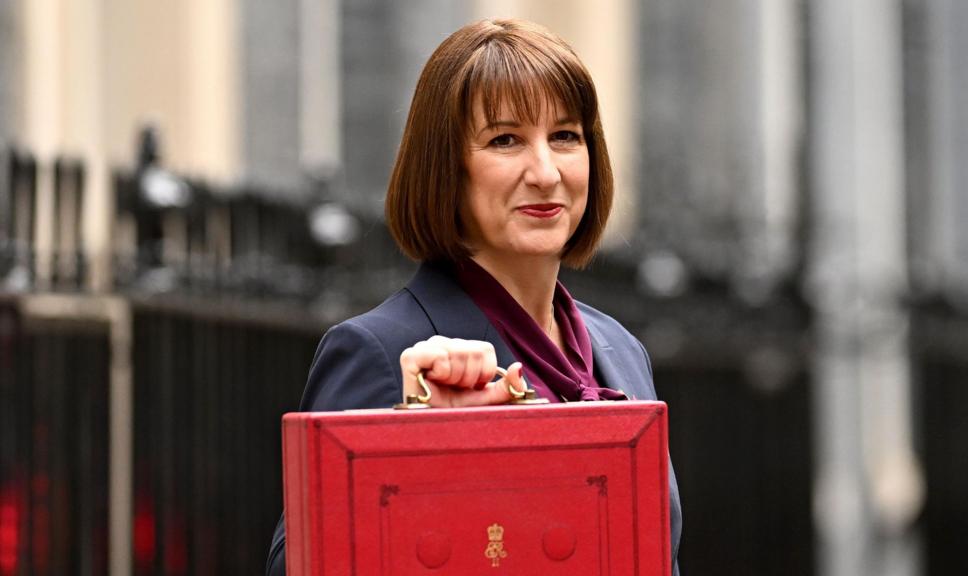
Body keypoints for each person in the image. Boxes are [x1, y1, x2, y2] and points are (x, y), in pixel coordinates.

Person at [266, 18, 681, 575]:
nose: (545, 171)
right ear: (446, 169)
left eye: (565, 136)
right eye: (504, 140)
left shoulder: (622, 349)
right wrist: (415, 437)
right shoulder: (378, 349)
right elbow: (299, 565)